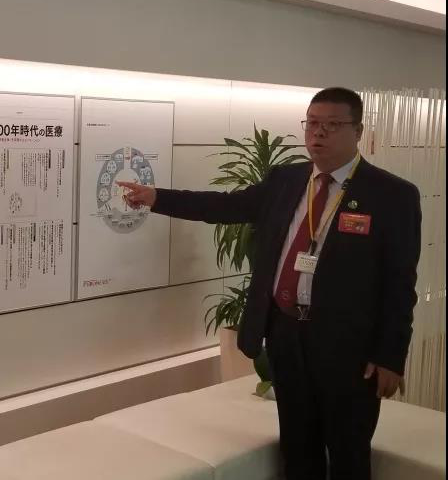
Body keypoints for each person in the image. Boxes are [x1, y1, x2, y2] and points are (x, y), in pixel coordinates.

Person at [118, 87, 421, 480]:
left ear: (358, 131)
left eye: (332, 125)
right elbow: (225, 206)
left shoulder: (391, 195)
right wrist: (157, 197)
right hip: (286, 335)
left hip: (347, 349)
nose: (319, 133)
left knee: (348, 452)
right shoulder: (286, 180)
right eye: (312, 123)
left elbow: (400, 284)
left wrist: (391, 356)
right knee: (297, 449)